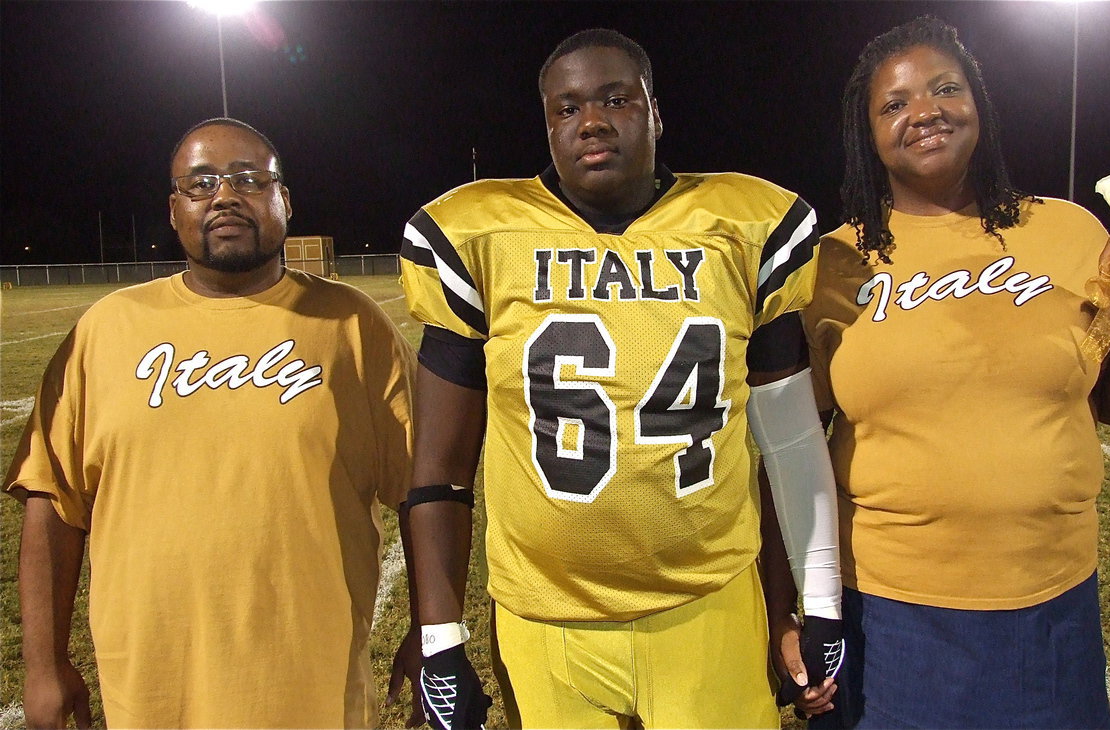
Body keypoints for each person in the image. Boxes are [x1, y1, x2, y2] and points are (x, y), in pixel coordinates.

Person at [395, 28, 843, 730]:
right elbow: (440, 470)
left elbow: (788, 443)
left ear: (655, 113)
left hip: (706, 602)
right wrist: (442, 637)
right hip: (545, 614)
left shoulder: (741, 226)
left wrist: (819, 601)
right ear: (547, 127)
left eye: (615, 99)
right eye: (566, 109)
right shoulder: (478, 236)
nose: (592, 122)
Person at [803, 16, 1110, 729]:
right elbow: (794, 451)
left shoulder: (1071, 232)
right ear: (868, 134)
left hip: (1052, 600)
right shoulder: (833, 263)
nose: (925, 110)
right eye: (894, 103)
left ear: (979, 102)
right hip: (892, 605)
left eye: (946, 88)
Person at [7, 117, 423, 728]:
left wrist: (430, 629)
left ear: (285, 199)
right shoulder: (106, 329)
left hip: (315, 690)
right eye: (200, 184)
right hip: (150, 696)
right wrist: (43, 665)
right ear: (174, 209)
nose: (225, 195)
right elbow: (52, 501)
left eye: (250, 179)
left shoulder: (354, 327)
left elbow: (424, 492)